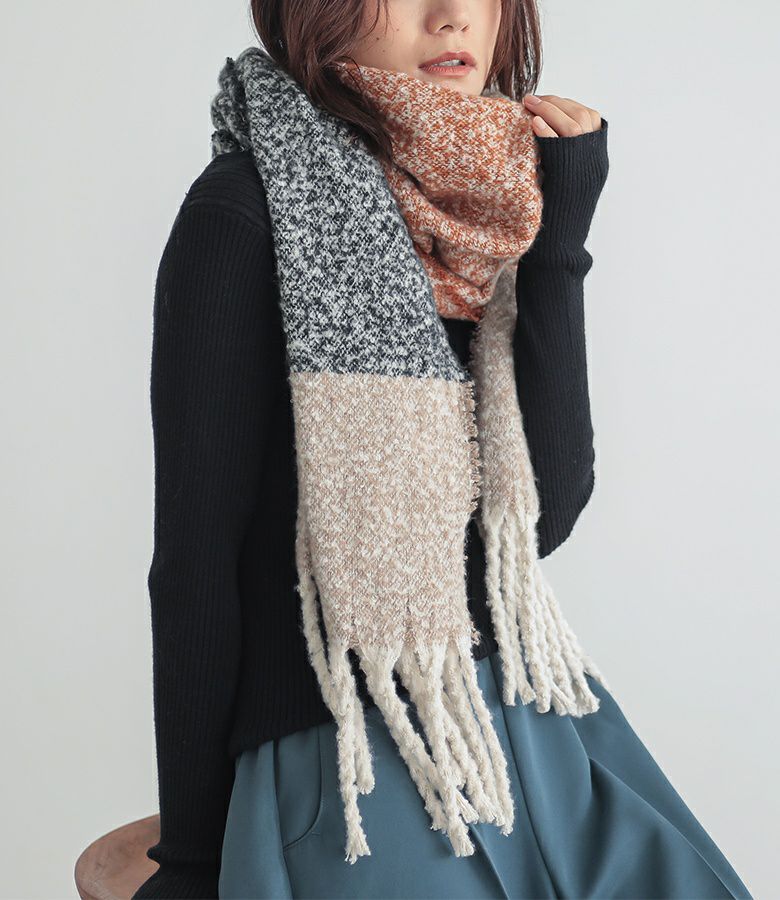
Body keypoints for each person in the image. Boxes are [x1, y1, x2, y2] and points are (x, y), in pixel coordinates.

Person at [134, 1, 753, 898]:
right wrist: (192, 861)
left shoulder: (489, 210)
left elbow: (543, 513)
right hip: (353, 759)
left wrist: (559, 246)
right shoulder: (245, 213)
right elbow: (195, 564)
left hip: (534, 717)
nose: (453, 15)